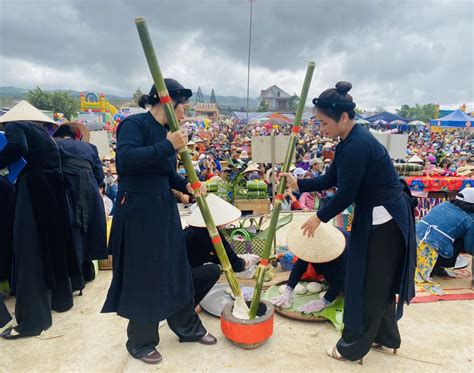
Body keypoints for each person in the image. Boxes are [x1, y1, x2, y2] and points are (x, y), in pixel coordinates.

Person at [281, 82, 416, 364]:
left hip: (387, 218)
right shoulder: (348, 142)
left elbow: (346, 194)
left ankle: (352, 347)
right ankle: (386, 337)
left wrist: (319, 217)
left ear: (343, 117)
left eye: (323, 122)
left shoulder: (358, 145)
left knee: (373, 284)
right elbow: (332, 179)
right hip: (373, 216)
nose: (321, 128)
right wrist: (300, 183)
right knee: (370, 280)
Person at [101, 79, 216, 365]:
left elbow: (164, 173)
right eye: (184, 106)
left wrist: (188, 184)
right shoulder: (134, 125)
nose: (186, 112)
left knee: (175, 267)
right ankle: (140, 342)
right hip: (138, 209)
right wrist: (167, 145)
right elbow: (126, 161)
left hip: (163, 207)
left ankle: (187, 328)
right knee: (145, 274)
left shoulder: (168, 133)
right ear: (167, 102)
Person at [0, 102, 79, 339]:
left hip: (32, 191)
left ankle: (32, 322)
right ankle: (62, 301)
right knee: (55, 248)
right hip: (54, 193)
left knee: (30, 253)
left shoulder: (16, 127)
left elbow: (16, 146)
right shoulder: (46, 138)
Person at [53, 122, 108, 292]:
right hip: (90, 189)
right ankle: (88, 270)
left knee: (72, 231)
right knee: (90, 230)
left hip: (68, 190)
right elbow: (100, 176)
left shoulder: (56, 145)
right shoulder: (90, 148)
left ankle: (75, 278)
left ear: (58, 135)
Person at [184, 194, 260, 305]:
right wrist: (248, 260)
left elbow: (219, 257)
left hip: (174, 272)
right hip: (179, 279)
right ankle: (189, 305)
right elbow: (236, 265)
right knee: (213, 270)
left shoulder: (192, 230)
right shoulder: (212, 235)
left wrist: (237, 257)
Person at [271, 222, 347, 313]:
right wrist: (288, 289)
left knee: (343, 285)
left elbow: (341, 276)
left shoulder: (340, 248)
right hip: (337, 264)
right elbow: (300, 266)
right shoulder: (312, 241)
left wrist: (325, 301)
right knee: (329, 277)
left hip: (350, 263)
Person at [415, 187, 473, 290]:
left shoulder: (445, 204)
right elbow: (470, 247)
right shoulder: (470, 219)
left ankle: (435, 267)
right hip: (432, 247)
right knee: (461, 238)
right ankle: (437, 267)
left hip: (413, 241)